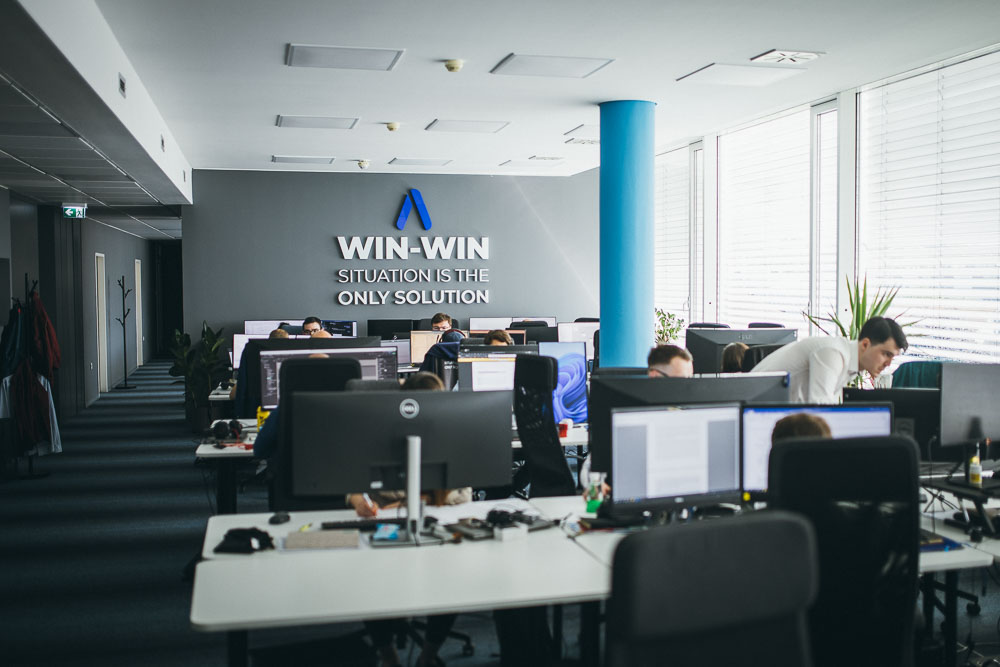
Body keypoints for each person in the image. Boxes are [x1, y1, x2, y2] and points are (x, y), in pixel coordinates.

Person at [346, 370, 464, 667]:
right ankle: (388, 656)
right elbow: (351, 479)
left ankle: (427, 655)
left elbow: (461, 496)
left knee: (453, 580)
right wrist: (357, 499)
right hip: (385, 527)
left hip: (438, 528)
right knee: (368, 579)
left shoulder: (452, 435)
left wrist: (406, 502)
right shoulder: (380, 436)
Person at [751, 316, 907, 404]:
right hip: (751, 410)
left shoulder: (849, 364)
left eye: (893, 357)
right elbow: (820, 408)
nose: (888, 364)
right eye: (886, 354)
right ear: (865, 344)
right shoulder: (833, 353)